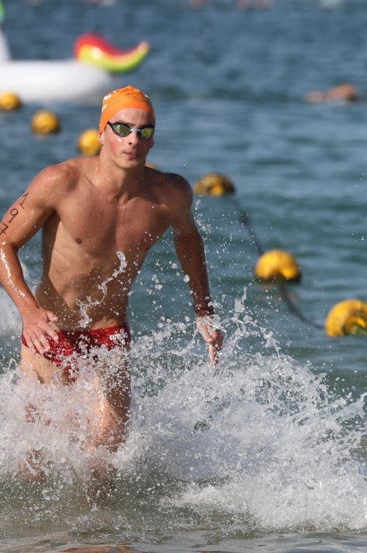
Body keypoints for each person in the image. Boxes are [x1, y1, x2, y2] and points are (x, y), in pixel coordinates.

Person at [0, 85, 223, 490]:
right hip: (48, 334)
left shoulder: (170, 194)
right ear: (102, 132)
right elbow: (3, 242)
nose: (134, 140)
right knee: (34, 466)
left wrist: (203, 311)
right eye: (122, 128)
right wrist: (29, 313)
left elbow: (188, 238)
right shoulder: (60, 182)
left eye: (145, 131)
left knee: (101, 465)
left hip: (109, 335)